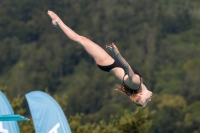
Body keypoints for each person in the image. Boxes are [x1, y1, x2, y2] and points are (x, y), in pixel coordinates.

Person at [47, 10, 153, 107]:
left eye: (146, 100)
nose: (150, 99)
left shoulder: (135, 83)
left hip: (108, 62)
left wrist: (117, 54)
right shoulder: (136, 87)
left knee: (80, 40)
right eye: (147, 101)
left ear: (141, 94)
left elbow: (127, 67)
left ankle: (58, 21)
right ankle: (58, 24)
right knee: (81, 42)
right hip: (108, 64)